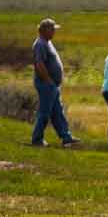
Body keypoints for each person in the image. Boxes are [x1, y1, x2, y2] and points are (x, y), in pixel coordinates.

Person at [30, 18, 78, 147]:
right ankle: (37, 139)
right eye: (52, 29)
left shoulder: (47, 42)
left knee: (57, 111)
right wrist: (48, 80)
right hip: (46, 84)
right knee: (45, 112)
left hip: (52, 85)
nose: (54, 32)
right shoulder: (40, 44)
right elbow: (39, 64)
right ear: (45, 30)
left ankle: (66, 137)